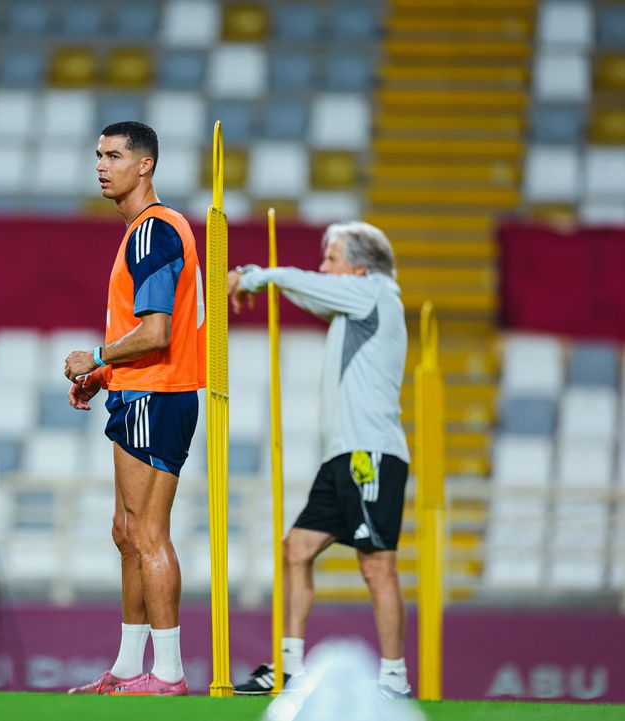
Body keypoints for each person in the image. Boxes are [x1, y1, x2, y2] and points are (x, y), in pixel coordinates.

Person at [228, 222, 412, 699]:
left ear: (360, 267)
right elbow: (311, 293)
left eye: (332, 258)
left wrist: (256, 277)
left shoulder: (376, 293)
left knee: (376, 564)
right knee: (296, 548)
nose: (324, 268)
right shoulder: (354, 306)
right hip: (342, 456)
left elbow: (306, 284)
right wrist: (262, 280)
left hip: (369, 453)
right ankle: (289, 668)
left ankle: (394, 679)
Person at [63, 121, 205, 697]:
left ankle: (167, 673)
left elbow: (156, 332)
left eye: (115, 155)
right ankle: (127, 667)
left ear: (145, 165)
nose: (102, 165)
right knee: (126, 532)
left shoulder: (152, 231)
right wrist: (103, 377)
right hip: (140, 390)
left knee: (146, 533)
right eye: (99, 155)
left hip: (157, 393)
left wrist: (96, 356)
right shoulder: (144, 233)